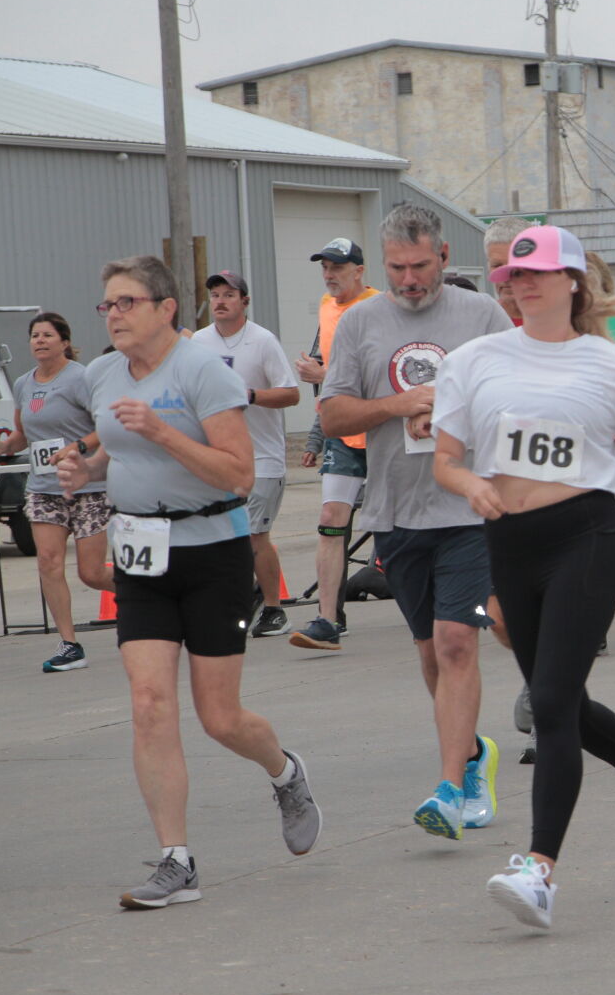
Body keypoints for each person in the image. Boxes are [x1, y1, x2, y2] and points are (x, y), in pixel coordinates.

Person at [430, 224, 615, 932]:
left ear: (574, 280)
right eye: (514, 276)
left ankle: (538, 870)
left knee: (547, 701)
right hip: (508, 540)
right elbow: (445, 457)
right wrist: (467, 486)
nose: (524, 285)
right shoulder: (474, 359)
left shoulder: (607, 364)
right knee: (561, 700)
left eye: (539, 273)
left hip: (586, 534)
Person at [58, 255, 319, 909]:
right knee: (149, 703)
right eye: (107, 305)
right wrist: (82, 468)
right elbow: (116, 449)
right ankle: (177, 860)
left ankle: (285, 771)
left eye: (126, 303)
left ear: (165, 307)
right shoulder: (102, 373)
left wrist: (166, 434)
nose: (113, 315)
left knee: (219, 716)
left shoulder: (203, 369)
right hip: (142, 554)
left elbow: (237, 474)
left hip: (213, 552)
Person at [318, 204, 512, 840]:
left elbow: (516, 398)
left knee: (458, 642)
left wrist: (460, 412)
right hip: (398, 511)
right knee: (430, 652)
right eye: (398, 268)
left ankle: (452, 787)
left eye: (421, 266)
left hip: (467, 505)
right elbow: (333, 417)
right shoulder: (360, 322)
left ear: (444, 255)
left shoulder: (481, 314)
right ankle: (473, 752)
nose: (409, 279)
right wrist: (395, 405)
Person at [0, 313, 113, 671]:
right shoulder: (23, 383)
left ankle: (150, 598)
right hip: (44, 488)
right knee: (48, 562)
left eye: (47, 335)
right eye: (34, 336)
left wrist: (77, 449)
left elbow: (105, 427)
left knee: (93, 573)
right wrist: (2, 447)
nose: (39, 341)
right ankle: (69, 644)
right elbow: (23, 435)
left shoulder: (81, 378)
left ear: (64, 342)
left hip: (87, 486)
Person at [193, 272, 301, 638]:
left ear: (245, 301)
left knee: (255, 536)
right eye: (215, 295)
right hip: (216, 459)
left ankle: (274, 608)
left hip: (262, 458)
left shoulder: (262, 341)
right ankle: (238, 600)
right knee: (222, 537)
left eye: (229, 294)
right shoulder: (198, 343)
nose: (221, 301)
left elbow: (291, 393)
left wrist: (250, 396)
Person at [291, 238, 379, 650]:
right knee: (331, 518)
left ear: (359, 270)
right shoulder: (327, 310)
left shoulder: (381, 308)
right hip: (343, 434)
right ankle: (328, 619)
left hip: (383, 430)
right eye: (324, 267)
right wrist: (316, 433)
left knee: (401, 524)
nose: (329, 275)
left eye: (337, 267)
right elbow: (325, 376)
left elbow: (381, 372)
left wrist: (322, 376)